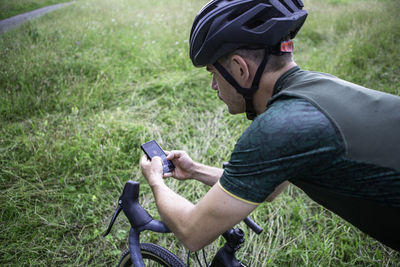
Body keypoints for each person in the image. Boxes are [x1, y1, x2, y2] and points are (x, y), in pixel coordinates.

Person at [140, 0, 400, 253]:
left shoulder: (279, 127)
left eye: (213, 73)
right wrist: (195, 170)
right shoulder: (318, 87)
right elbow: (269, 188)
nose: (213, 85)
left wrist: (155, 181)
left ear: (240, 68)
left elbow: (191, 232)